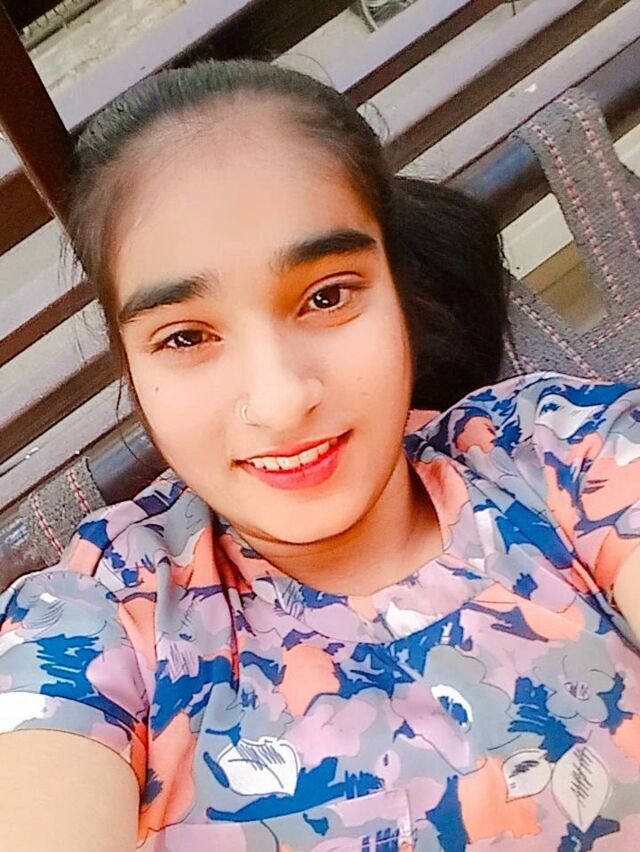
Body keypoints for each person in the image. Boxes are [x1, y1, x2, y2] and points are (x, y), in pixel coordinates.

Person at [0, 58, 639, 852]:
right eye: (187, 337)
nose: (279, 400)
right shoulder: (99, 629)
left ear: (397, 289)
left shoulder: (562, 456)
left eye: (327, 296)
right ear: (133, 366)